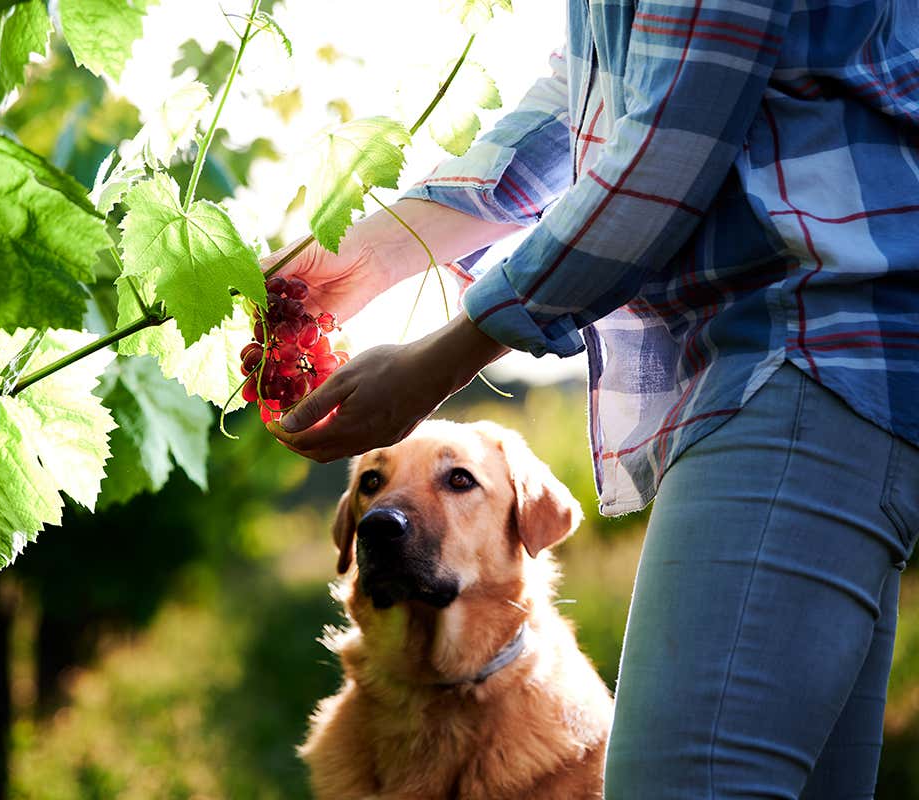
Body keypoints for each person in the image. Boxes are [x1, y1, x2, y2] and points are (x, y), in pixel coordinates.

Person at [266, 0, 919, 796]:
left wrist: (445, 356)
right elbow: (582, 98)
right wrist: (370, 255)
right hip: (777, 361)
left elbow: (664, 148)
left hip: (808, 343)